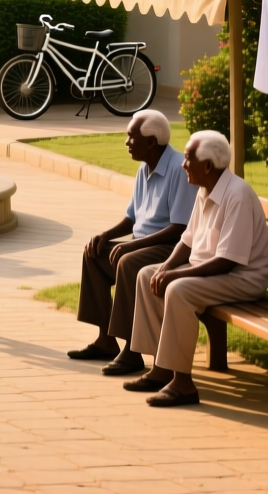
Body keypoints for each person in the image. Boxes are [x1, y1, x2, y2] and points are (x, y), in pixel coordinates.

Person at [125, 129, 268, 407]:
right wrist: (166, 267)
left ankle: (183, 384)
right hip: (214, 271)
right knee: (148, 274)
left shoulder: (237, 194)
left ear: (207, 165)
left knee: (179, 289)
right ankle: (161, 369)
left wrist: (175, 274)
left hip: (243, 277)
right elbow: (188, 240)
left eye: (188, 158)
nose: (182, 164)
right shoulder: (204, 189)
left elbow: (227, 260)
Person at [67, 109, 195, 376]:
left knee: (127, 261)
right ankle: (106, 340)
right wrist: (106, 236)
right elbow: (132, 217)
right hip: (142, 244)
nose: (127, 143)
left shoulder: (177, 170)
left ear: (151, 142)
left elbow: (180, 228)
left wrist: (132, 245)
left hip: (168, 249)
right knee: (94, 254)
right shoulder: (143, 169)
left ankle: (132, 352)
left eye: (131, 137)